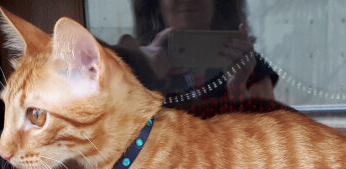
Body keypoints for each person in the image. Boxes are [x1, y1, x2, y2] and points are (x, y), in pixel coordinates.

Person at [111, 0, 278, 106]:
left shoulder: (247, 64)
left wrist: (238, 88)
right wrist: (143, 72)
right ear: (156, 5)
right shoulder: (130, 63)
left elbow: (270, 140)